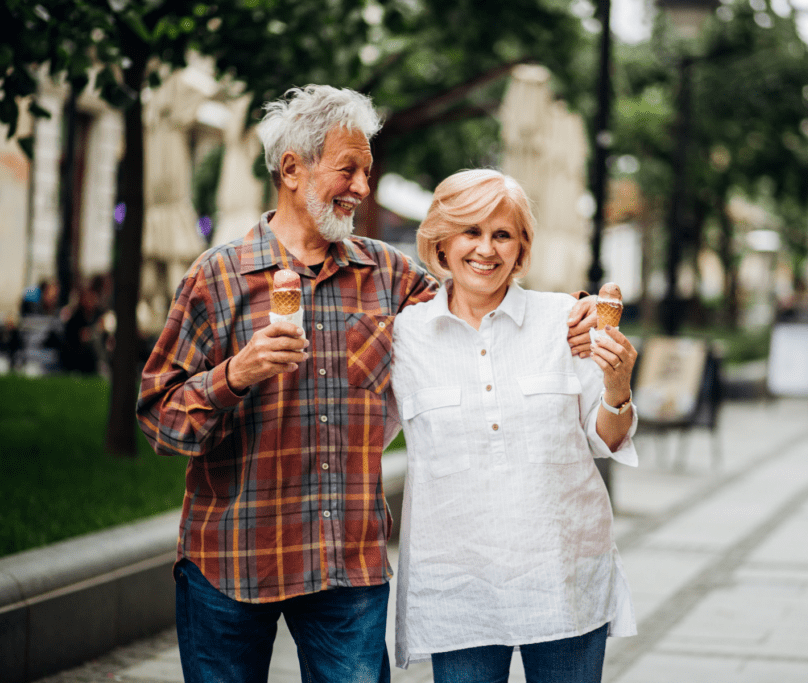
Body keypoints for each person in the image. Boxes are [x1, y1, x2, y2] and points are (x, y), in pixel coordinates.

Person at [136, 86, 597, 683]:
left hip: (345, 567)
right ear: (292, 169)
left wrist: (574, 314)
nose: (362, 187)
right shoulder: (216, 278)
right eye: (347, 169)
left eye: (367, 171)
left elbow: (486, 306)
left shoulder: (391, 276)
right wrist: (236, 374)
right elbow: (158, 421)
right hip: (233, 558)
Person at [390, 169, 638, 683]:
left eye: (502, 234)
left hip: (561, 575)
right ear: (440, 241)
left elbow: (607, 438)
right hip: (457, 584)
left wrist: (618, 385)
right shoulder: (404, 337)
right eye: (471, 231)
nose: (486, 249)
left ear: (522, 247)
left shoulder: (566, 321)